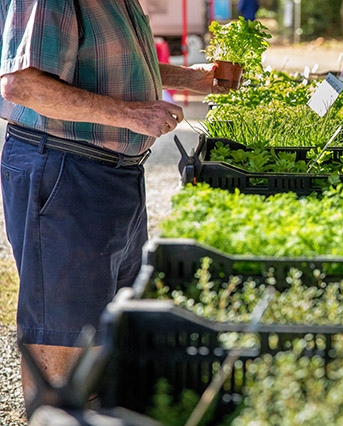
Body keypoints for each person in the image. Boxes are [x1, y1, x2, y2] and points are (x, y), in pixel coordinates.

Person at [0, 0, 227, 406]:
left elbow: (114, 66)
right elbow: (22, 85)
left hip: (113, 173)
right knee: (65, 332)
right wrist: (132, 115)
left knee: (107, 325)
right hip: (66, 170)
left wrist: (189, 78)